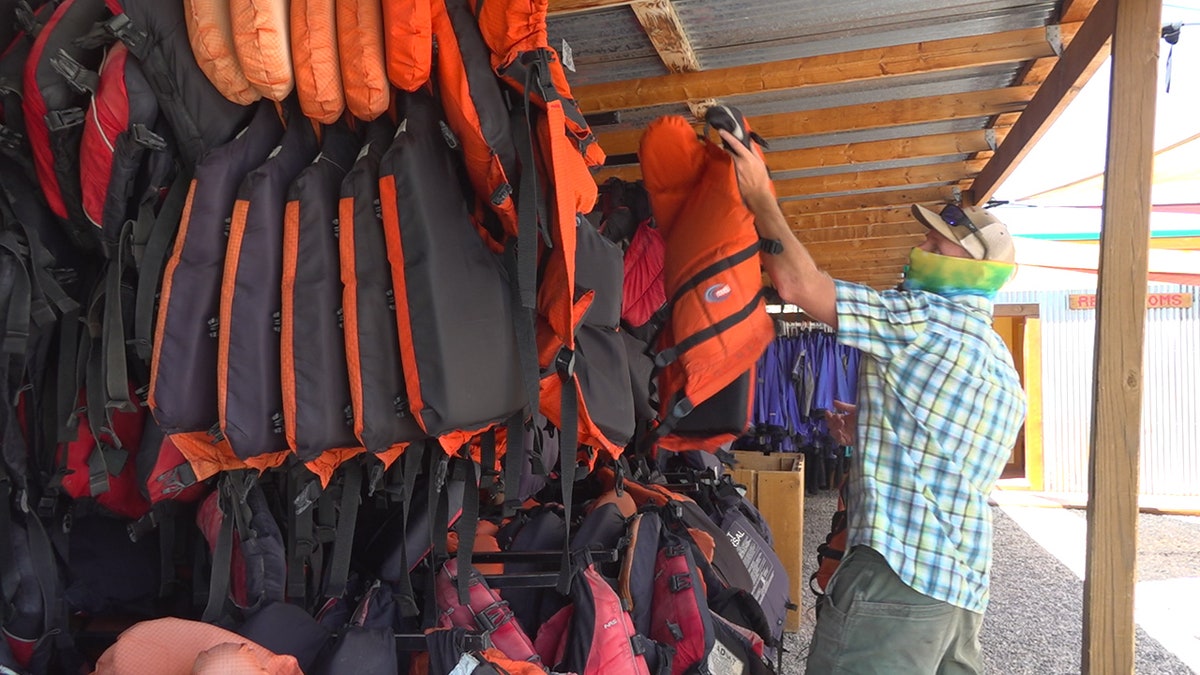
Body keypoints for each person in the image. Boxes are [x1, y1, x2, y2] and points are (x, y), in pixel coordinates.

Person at [718, 128, 1027, 674]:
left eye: (936, 245)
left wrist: (760, 196)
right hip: (958, 583)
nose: (919, 250)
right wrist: (874, 427)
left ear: (975, 268)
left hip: (895, 576)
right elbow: (949, 448)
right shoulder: (994, 353)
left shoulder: (922, 320)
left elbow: (797, 285)